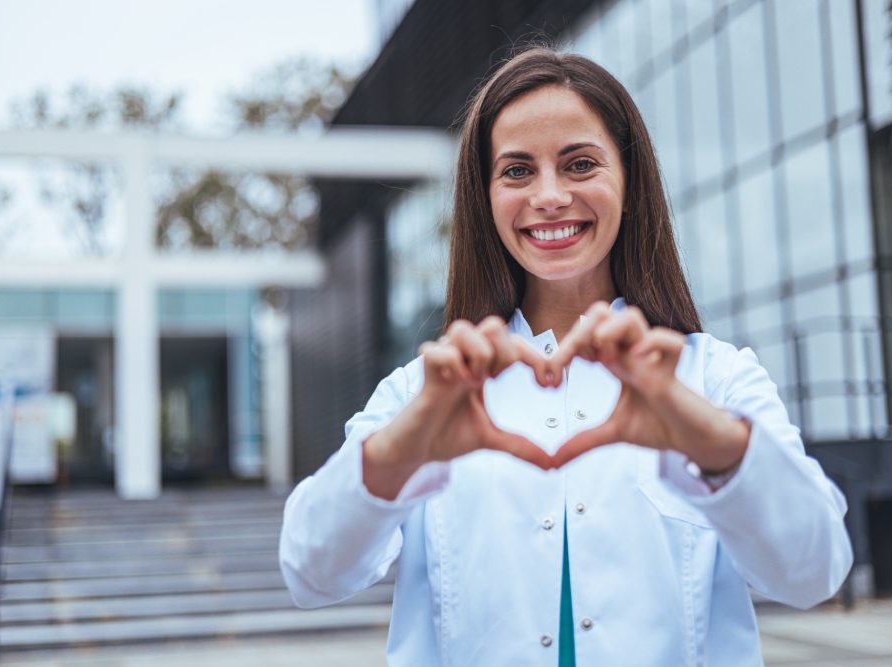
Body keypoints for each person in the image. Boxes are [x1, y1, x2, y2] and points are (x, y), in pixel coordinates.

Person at [279, 48, 853, 666]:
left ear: (630, 184)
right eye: (517, 171)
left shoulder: (715, 379)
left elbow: (813, 572)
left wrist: (710, 442)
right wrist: (404, 447)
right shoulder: (422, 393)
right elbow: (311, 573)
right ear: (486, 198)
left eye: (580, 164)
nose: (549, 197)